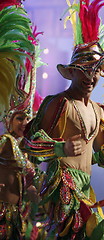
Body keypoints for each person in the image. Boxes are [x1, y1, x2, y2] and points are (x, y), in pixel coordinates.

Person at [24, 1, 104, 239]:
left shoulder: (99, 112)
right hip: (62, 185)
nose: (90, 76)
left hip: (85, 186)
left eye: (95, 70)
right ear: (72, 71)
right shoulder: (59, 103)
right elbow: (29, 143)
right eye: (84, 69)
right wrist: (61, 147)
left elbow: (100, 155)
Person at [0, 1, 43, 239]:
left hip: (17, 216)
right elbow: (26, 169)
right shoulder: (6, 142)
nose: (24, 123)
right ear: (8, 120)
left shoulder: (24, 147)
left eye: (26, 117)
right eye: (19, 118)